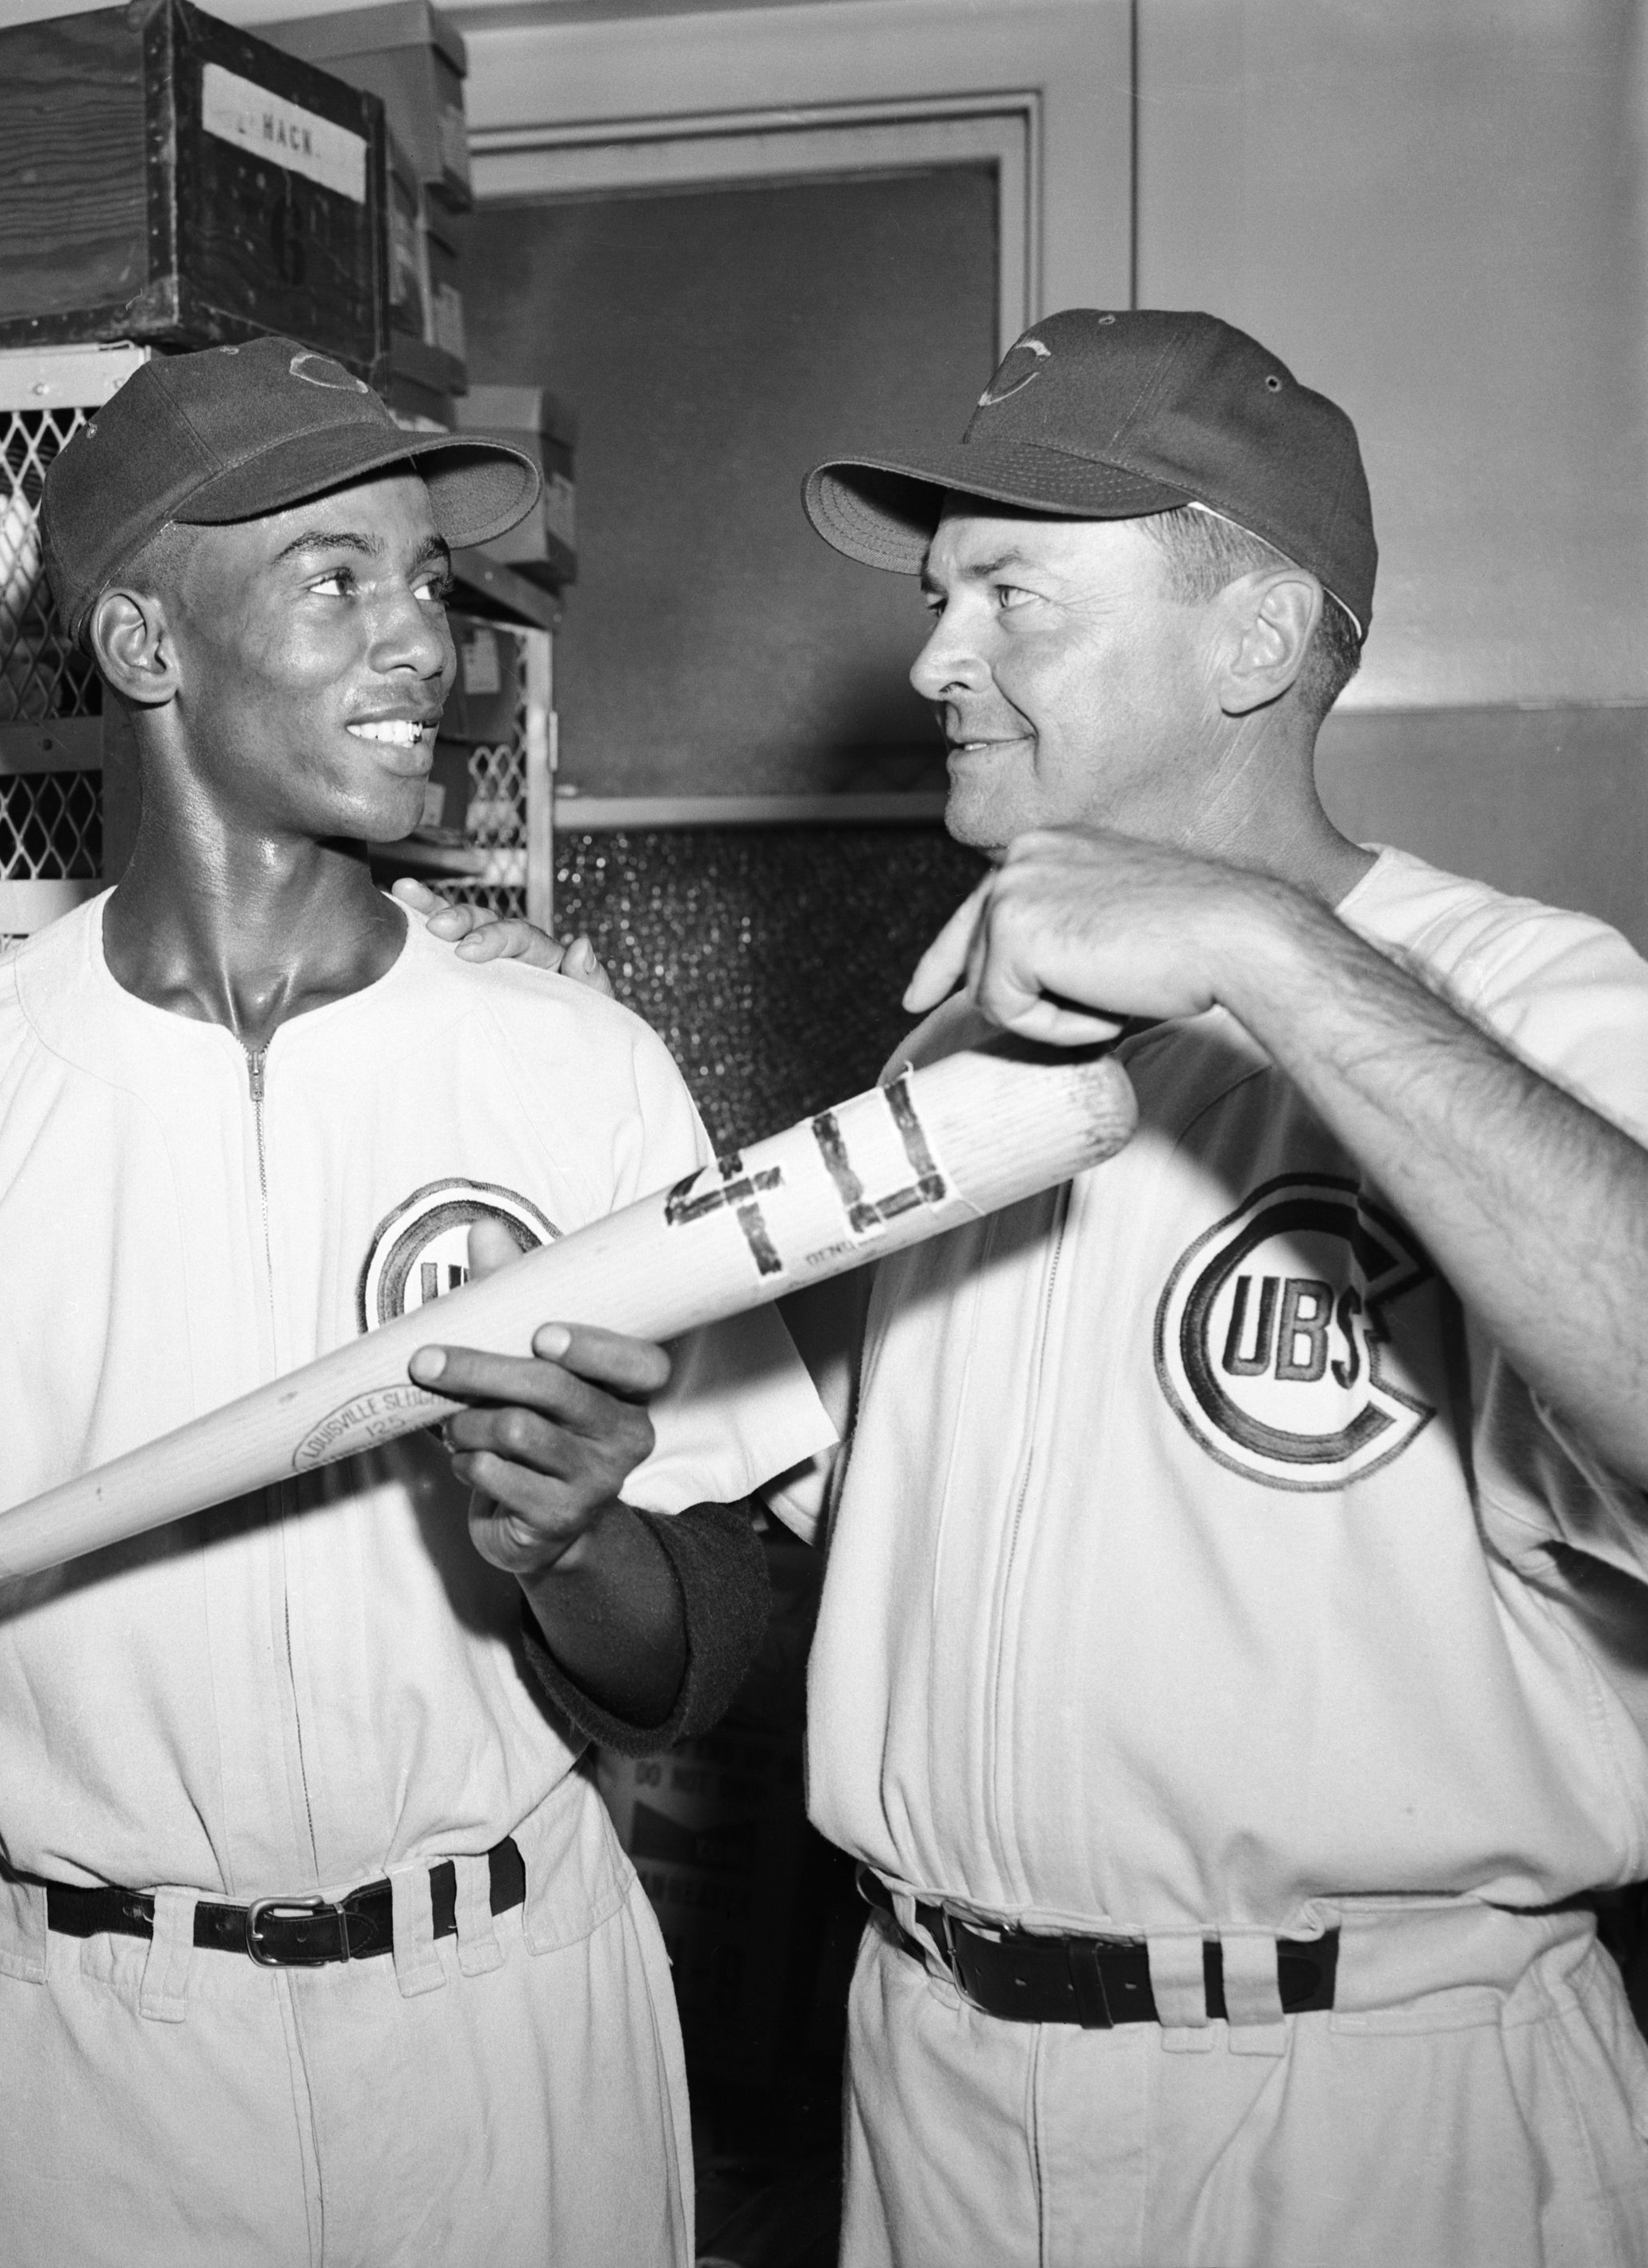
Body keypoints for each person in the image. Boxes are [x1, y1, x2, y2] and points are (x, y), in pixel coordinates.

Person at [428, 307, 1648, 2266]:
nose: (933, 659)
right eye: (937, 596)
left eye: (1012, 594)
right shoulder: (947, 1067)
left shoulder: (1531, 1008)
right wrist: (573, 1536)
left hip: (1376, 2114)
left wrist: (1269, 955)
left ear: (1253, 639)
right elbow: (734, 1607)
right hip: (937, 2089)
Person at [0, 338, 832, 2268]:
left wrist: (572, 1547)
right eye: (338, 577)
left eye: (431, 584)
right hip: (89, 2065)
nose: (424, 644)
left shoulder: (571, 1066)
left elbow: (703, 1650)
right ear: (144, 644)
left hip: (500, 2024)